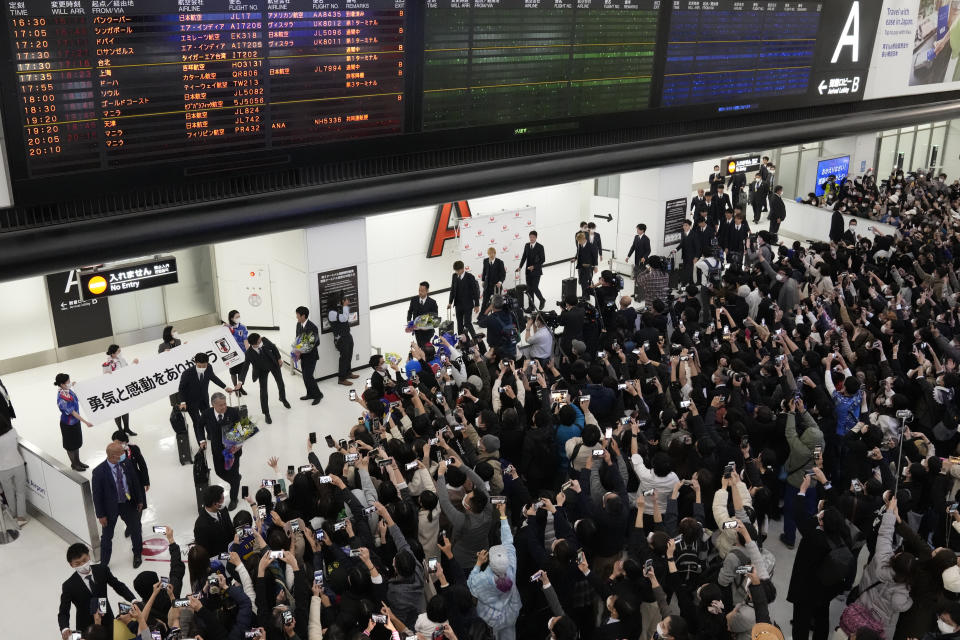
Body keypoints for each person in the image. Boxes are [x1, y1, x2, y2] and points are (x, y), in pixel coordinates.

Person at [58, 542, 136, 640]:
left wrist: (133, 599)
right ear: (71, 565)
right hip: (87, 626)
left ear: (89, 556)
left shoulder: (102, 569)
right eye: (77, 563)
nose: (82, 565)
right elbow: (64, 611)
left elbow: (117, 585)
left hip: (107, 619)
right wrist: (64, 628)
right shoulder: (69, 585)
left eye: (84, 560)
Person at [91, 441, 145, 567]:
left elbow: (135, 482)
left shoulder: (127, 463)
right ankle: (104, 564)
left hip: (128, 503)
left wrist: (140, 500)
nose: (124, 454)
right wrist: (101, 515)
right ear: (113, 456)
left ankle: (137, 554)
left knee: (136, 530)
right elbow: (97, 495)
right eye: (121, 452)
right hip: (110, 508)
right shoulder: (99, 472)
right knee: (107, 537)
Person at [199, 392, 242, 510]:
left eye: (225, 404)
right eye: (220, 405)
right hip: (217, 450)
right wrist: (202, 439)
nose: (224, 407)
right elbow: (199, 425)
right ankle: (236, 480)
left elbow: (241, 428)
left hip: (233, 452)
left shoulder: (233, 412)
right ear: (213, 405)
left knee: (233, 475)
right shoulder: (207, 414)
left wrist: (238, 444)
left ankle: (234, 498)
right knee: (219, 472)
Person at [178, 352, 234, 443]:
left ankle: (210, 434)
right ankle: (201, 441)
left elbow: (213, 378)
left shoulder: (209, 368)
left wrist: (225, 387)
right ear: (195, 362)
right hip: (191, 401)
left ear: (207, 363)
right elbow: (181, 388)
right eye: (199, 366)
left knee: (208, 417)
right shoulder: (187, 373)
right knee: (197, 422)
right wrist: (183, 402)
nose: (202, 368)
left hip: (204, 398)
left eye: (204, 366)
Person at [244, 332, 290, 424]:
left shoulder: (264, 340)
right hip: (262, 370)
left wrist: (279, 358)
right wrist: (241, 381)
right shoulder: (249, 353)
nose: (261, 340)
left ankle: (283, 398)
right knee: (263, 391)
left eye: (260, 339)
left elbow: (273, 347)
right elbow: (245, 367)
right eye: (259, 341)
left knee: (280, 383)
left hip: (273, 364)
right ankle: (266, 413)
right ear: (254, 344)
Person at [55, 373, 93, 471]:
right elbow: (73, 412)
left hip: (75, 422)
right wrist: (86, 422)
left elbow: (76, 397)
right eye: (68, 381)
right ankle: (74, 464)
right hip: (68, 424)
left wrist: (76, 385)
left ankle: (78, 461)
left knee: (76, 443)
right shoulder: (62, 397)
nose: (69, 382)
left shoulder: (67, 390)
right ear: (62, 384)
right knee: (70, 446)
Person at [102, 344, 139, 436]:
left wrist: (133, 364)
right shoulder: (108, 363)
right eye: (118, 351)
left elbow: (126, 370)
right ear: (113, 353)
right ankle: (120, 430)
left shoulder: (122, 359)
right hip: (114, 390)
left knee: (125, 409)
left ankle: (127, 428)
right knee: (117, 411)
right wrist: (107, 374)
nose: (120, 352)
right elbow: (105, 377)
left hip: (123, 387)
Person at [0, 401, 27, 527]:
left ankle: (13, 513)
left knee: (9, 492)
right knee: (20, 492)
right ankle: (21, 517)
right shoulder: (12, 432)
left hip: (3, 469)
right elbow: (16, 445)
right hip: (18, 464)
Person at [193, 484, 234, 556]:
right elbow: (205, 552)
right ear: (215, 504)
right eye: (222, 498)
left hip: (232, 551)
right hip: (219, 560)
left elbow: (230, 529)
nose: (224, 499)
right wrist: (227, 557)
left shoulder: (223, 509)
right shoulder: (201, 526)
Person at [294, 305, 323, 404]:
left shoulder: (312, 327)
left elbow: (316, 343)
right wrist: (297, 350)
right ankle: (310, 394)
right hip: (303, 356)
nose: (296, 317)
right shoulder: (298, 324)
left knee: (308, 376)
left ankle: (318, 395)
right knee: (305, 376)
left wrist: (301, 349)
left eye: (297, 315)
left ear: (303, 316)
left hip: (311, 356)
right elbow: (297, 339)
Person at [328, 292, 358, 386]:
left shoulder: (337, 309)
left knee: (349, 355)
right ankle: (341, 378)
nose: (341, 301)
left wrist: (344, 306)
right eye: (339, 300)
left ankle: (348, 373)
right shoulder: (331, 312)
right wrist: (345, 306)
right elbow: (344, 318)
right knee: (344, 358)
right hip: (341, 338)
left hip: (347, 335)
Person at [478, 295, 518, 360]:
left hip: (497, 352)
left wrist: (488, 310)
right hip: (511, 348)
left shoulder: (491, 318)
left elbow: (480, 323)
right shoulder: (510, 314)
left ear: (492, 305)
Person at [448, 260, 481, 339]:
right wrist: (450, 302)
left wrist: (477, 305)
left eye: (458, 270)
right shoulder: (454, 276)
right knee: (459, 324)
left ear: (463, 269)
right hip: (458, 305)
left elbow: (475, 292)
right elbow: (452, 289)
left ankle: (475, 339)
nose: (457, 272)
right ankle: (462, 341)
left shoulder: (470, 277)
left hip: (468, 305)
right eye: (455, 271)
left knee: (467, 323)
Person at [517, 231, 546, 311]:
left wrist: (534, 266)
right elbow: (524, 257)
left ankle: (542, 300)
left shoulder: (540, 247)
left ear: (536, 237)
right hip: (528, 271)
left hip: (536, 271)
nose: (531, 239)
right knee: (529, 289)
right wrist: (520, 267)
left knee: (535, 287)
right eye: (530, 237)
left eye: (533, 237)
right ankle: (531, 306)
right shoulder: (527, 245)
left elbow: (543, 259)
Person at [407, 281, 440, 346]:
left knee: (426, 348)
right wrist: (409, 321)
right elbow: (410, 311)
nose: (420, 292)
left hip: (428, 332)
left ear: (427, 291)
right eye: (419, 290)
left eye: (422, 291)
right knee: (420, 346)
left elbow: (435, 317)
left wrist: (425, 326)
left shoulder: (432, 302)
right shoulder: (414, 300)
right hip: (417, 331)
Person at [225, 310, 249, 397]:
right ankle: (236, 388)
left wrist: (248, 352)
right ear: (232, 318)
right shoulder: (226, 328)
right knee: (233, 372)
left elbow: (245, 339)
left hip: (242, 352)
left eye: (239, 316)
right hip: (231, 354)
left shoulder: (243, 327)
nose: (239, 318)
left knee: (241, 371)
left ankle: (240, 387)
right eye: (236, 317)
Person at [572, 231, 598, 299]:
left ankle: (585, 296)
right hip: (581, 266)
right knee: (582, 282)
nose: (578, 242)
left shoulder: (591, 245)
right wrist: (575, 258)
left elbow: (595, 256)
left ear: (583, 239)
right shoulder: (580, 245)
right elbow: (578, 253)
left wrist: (595, 266)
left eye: (579, 241)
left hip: (588, 267)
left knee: (585, 282)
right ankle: (585, 295)